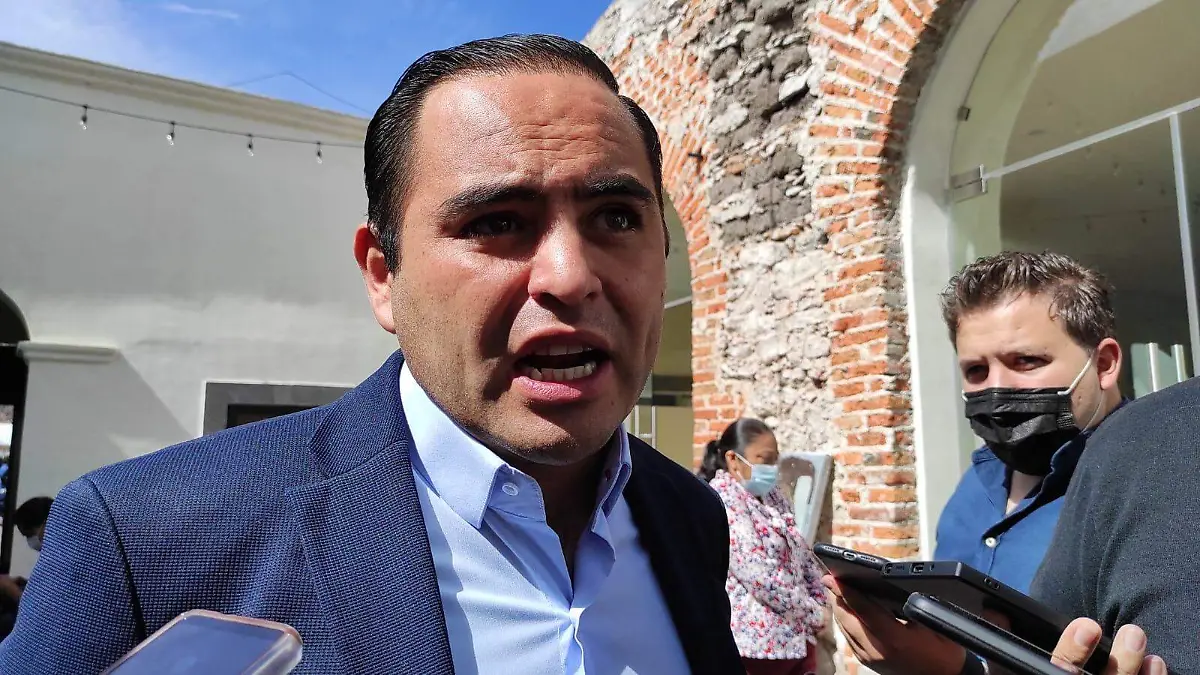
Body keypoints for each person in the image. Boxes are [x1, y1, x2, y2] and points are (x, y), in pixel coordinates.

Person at [0, 35, 742, 674]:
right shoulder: (142, 540)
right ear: (384, 276)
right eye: (498, 222)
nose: (570, 276)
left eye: (616, 217)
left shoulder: (691, 519)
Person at [825, 251, 1165, 674]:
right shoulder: (976, 484)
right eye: (976, 370)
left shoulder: (1161, 485)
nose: (998, 389)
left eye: (1026, 361)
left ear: (1104, 364)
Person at [1032, 374, 1200, 673]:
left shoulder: (1134, 436)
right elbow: (1040, 644)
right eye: (977, 370)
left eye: (1028, 362)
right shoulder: (1135, 440)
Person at [699, 418, 829, 675]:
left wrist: (819, 597)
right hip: (758, 650)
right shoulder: (722, 500)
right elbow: (760, 577)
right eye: (764, 459)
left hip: (797, 639)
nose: (771, 468)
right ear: (733, 459)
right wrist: (813, 613)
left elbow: (800, 549)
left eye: (774, 460)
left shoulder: (773, 496)